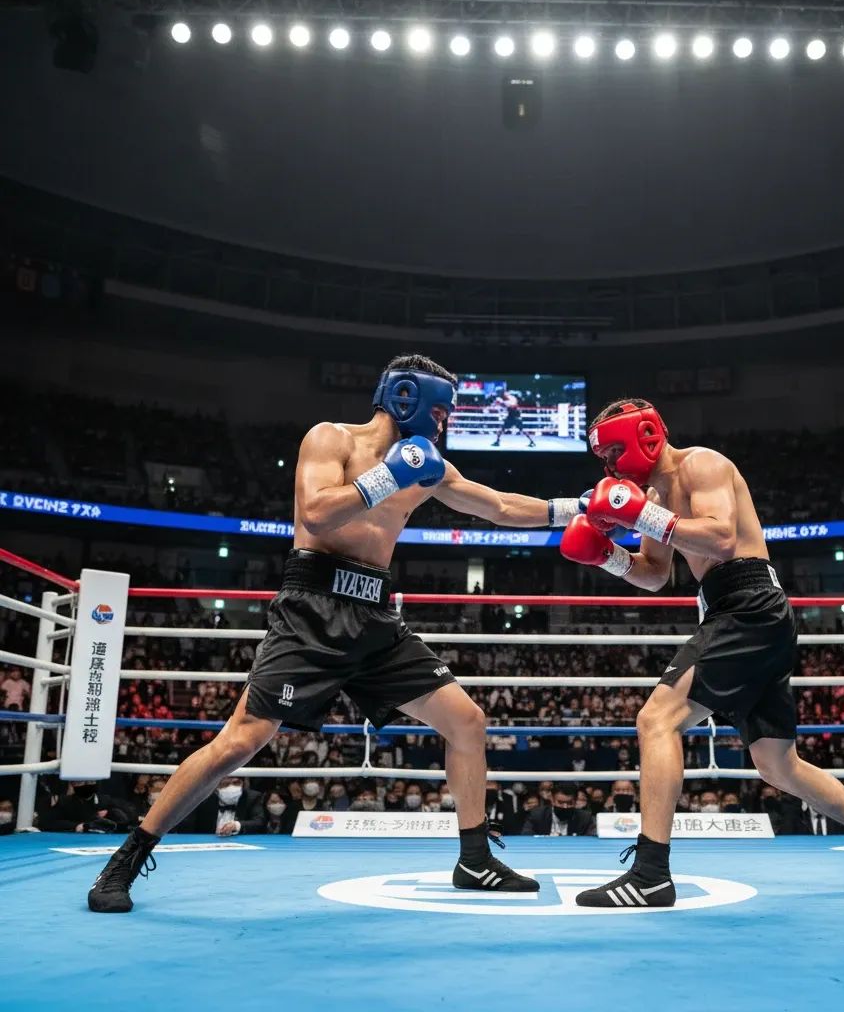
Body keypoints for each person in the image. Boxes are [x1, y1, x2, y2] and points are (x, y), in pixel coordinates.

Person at [88, 353, 587, 912]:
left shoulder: (430, 466)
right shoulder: (332, 440)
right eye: (442, 410)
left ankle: (474, 859)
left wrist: (578, 507)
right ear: (408, 398)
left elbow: (497, 506)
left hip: (375, 617)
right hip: (313, 608)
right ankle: (126, 860)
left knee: (467, 721)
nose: (445, 424)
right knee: (242, 740)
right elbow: (317, 512)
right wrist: (389, 475)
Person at [560, 399, 844, 907]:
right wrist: (606, 555)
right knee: (778, 764)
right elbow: (655, 574)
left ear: (646, 435)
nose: (611, 466)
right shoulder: (654, 494)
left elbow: (722, 537)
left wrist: (640, 512)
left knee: (657, 720)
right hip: (734, 612)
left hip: (748, 603)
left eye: (616, 451)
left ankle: (650, 874)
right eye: (605, 459)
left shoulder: (701, 464)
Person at [180, 776, 266, 836]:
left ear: (243, 784)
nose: (231, 787)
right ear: (216, 787)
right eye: (225, 784)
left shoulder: (251, 797)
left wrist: (237, 826)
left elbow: (259, 822)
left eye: (236, 783)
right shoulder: (204, 799)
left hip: (241, 847)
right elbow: (187, 824)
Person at [521, 784, 596, 836]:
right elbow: (526, 837)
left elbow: (592, 840)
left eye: (570, 803)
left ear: (575, 801)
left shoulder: (585, 818)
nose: (565, 807)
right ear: (552, 800)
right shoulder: (537, 815)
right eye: (560, 803)